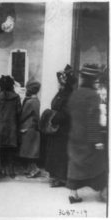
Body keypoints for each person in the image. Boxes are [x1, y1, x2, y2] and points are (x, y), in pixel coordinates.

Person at [66, 63, 107, 204]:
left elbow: (69, 112)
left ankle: (73, 194)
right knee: (99, 163)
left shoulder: (75, 93)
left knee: (75, 164)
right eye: (96, 79)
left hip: (74, 136)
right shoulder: (93, 96)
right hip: (88, 138)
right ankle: (103, 192)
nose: (97, 82)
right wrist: (97, 141)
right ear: (91, 79)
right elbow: (92, 120)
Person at [45, 65, 76, 187]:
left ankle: (61, 178)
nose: (58, 84)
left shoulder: (69, 95)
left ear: (65, 84)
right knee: (56, 153)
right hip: (57, 128)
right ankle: (55, 176)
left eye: (60, 82)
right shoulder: (61, 93)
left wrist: (54, 118)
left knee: (61, 153)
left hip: (64, 129)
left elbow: (66, 112)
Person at [0, 75, 22, 178]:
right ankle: (10, 170)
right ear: (12, 85)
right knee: (10, 149)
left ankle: (1, 169)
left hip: (0, 126)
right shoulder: (16, 97)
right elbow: (19, 112)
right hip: (12, 126)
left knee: (1, 148)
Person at [19, 78, 41, 178]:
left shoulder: (30, 102)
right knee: (29, 150)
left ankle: (35, 169)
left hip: (28, 129)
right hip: (32, 128)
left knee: (30, 151)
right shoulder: (35, 100)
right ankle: (30, 168)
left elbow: (23, 115)